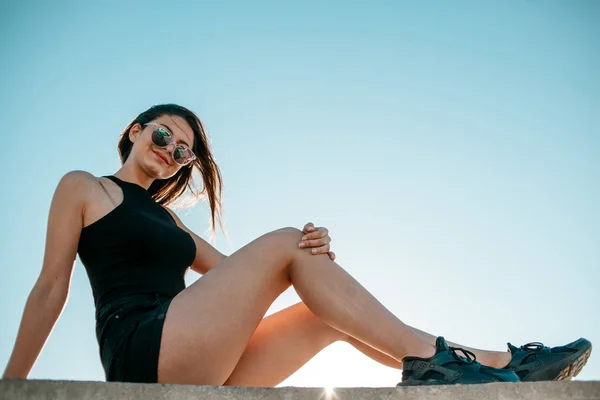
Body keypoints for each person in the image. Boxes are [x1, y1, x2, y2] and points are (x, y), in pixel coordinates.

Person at [2, 104, 592, 386]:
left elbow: (243, 281)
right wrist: (13, 385)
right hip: (141, 347)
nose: (172, 150)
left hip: (196, 352)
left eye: (183, 150)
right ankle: (456, 365)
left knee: (326, 315)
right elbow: (51, 287)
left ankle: (494, 364)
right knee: (286, 242)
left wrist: (312, 262)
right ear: (134, 131)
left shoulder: (172, 227)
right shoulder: (85, 188)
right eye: (163, 135)